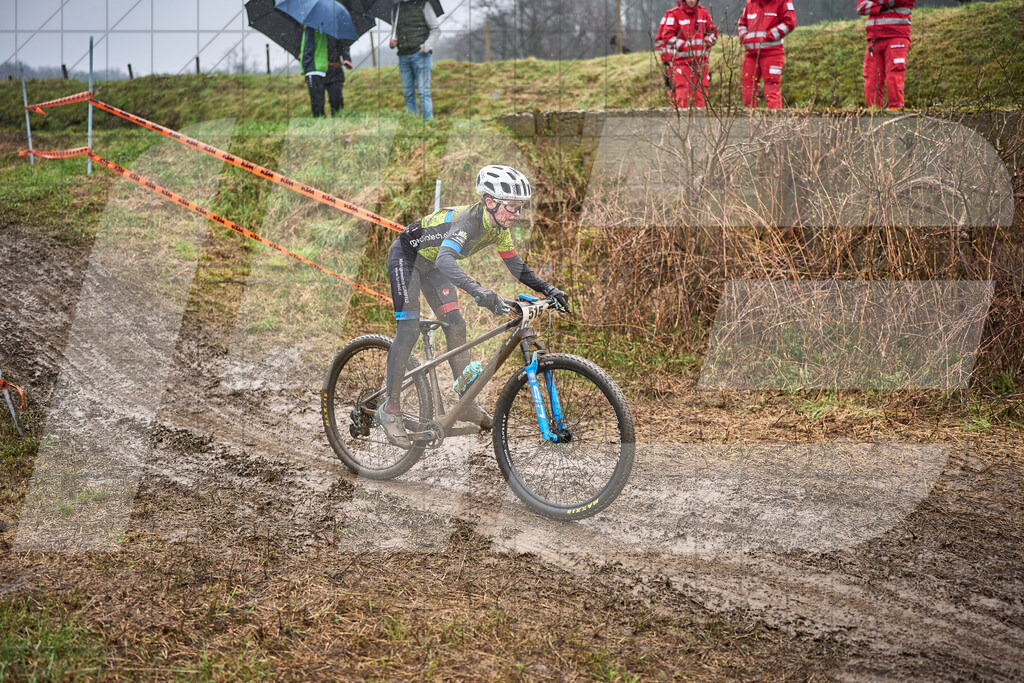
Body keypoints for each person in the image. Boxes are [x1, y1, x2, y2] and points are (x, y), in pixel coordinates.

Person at [377, 165, 569, 448]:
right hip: (407, 258)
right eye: (512, 208)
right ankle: (390, 408)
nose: (516, 215)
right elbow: (445, 259)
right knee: (409, 331)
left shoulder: (498, 228)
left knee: (457, 324)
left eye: (520, 209)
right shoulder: (469, 221)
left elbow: (517, 267)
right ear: (490, 202)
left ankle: (465, 402)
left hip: (432, 266)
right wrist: (478, 290)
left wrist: (548, 289)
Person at [655, 0, 718, 109]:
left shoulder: (704, 13)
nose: (692, 1)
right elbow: (664, 38)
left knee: (701, 97)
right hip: (681, 63)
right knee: (681, 96)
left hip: (700, 63)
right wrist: (668, 60)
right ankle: (680, 124)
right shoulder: (673, 14)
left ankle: (700, 124)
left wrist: (707, 42)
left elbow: (713, 33)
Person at [737, 0, 796, 109]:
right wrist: (745, 37)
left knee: (771, 88)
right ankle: (751, 121)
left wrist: (769, 36)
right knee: (747, 88)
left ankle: (774, 123)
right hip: (751, 54)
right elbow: (742, 23)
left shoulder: (783, 2)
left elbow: (790, 22)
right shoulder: (750, 3)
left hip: (772, 53)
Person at [389, 0, 441, 120]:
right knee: (408, 94)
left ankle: (428, 122)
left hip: (421, 55)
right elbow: (394, 33)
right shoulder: (395, 9)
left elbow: (436, 29)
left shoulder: (424, 4)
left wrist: (426, 47)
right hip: (403, 56)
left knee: (423, 92)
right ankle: (412, 123)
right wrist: (392, 43)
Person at [858, 0, 914, 109]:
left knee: (894, 76)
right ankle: (874, 114)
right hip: (874, 38)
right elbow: (861, 7)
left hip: (897, 35)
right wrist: (881, 6)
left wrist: (875, 5)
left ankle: (895, 112)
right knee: (871, 78)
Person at [301, 27, 353, 117]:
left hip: (334, 68)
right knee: (317, 101)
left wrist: (346, 58)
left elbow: (343, 44)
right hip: (316, 68)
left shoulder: (336, 27)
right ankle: (319, 121)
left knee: (336, 98)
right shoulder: (310, 28)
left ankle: (338, 118)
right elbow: (305, 46)